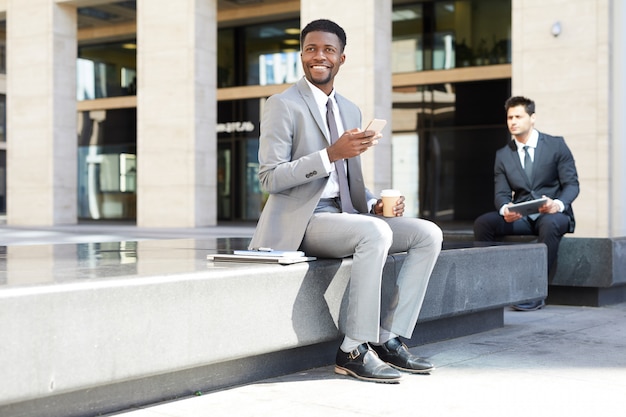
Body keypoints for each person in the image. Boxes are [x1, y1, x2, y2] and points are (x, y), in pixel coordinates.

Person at [248, 19, 443, 383]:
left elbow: (348, 178)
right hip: (303, 221)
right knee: (374, 234)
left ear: (341, 58)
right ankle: (352, 349)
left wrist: (372, 203)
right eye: (311, 49)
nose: (318, 56)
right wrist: (328, 155)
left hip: (347, 216)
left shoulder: (350, 110)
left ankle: (387, 337)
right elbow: (269, 177)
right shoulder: (282, 104)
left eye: (328, 50)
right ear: (302, 55)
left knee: (427, 234)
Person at [473, 96, 580, 311]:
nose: (513, 121)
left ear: (532, 118)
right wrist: (506, 209)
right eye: (510, 117)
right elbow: (501, 193)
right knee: (483, 223)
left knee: (549, 224)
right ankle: (487, 287)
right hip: (522, 216)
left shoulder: (556, 145)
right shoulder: (503, 155)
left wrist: (557, 204)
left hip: (553, 214)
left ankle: (536, 292)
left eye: (518, 116)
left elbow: (572, 185)